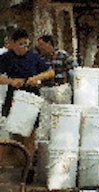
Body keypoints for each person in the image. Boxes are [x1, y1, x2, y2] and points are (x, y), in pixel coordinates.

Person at [0, 28, 54, 157]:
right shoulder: (6, 58)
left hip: (31, 98)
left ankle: (28, 167)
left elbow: (50, 72)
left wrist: (36, 78)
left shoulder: (34, 57)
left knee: (30, 133)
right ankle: (16, 163)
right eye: (20, 44)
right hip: (14, 98)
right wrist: (11, 81)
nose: (24, 48)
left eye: (26, 44)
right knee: (15, 133)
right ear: (12, 43)